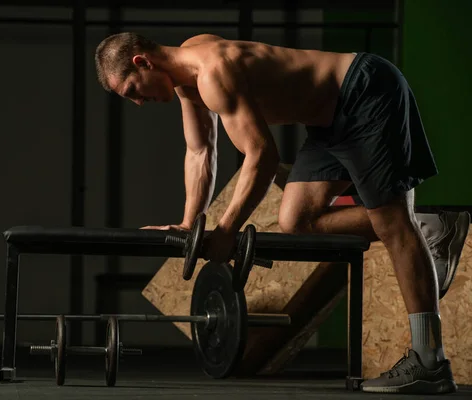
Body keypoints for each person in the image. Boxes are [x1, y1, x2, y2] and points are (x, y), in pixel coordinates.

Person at [94, 32, 469, 394]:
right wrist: (191, 224)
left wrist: (225, 230)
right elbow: (199, 152)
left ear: (142, 62)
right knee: (296, 221)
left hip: (363, 91)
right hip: (328, 123)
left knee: (391, 226)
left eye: (132, 91)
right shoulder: (186, 71)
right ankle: (420, 227)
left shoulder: (213, 73)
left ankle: (429, 362)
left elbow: (262, 157)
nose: (138, 102)